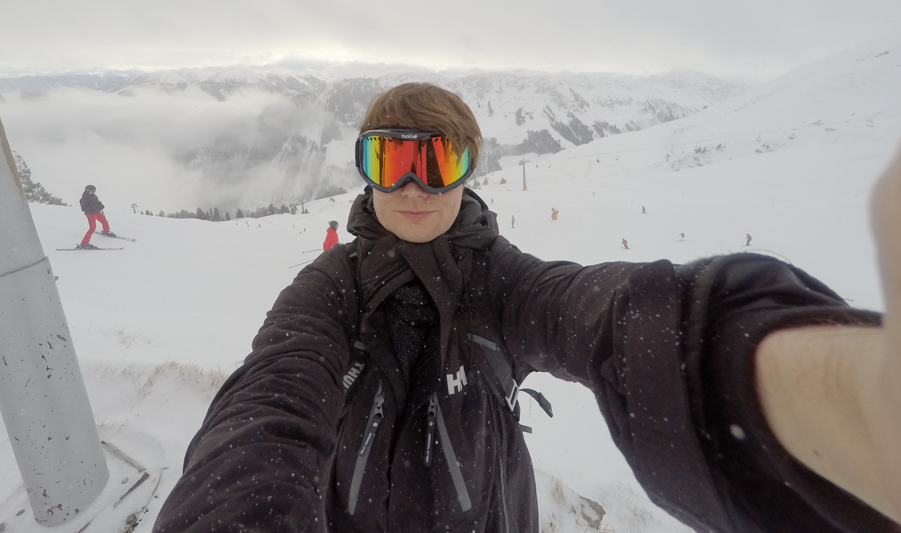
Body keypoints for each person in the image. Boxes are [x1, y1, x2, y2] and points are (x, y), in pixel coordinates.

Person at [154, 83, 901, 533]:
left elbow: (602, 318)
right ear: (365, 173)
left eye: (436, 161)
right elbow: (269, 403)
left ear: (469, 170)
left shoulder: (500, 283)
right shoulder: (330, 288)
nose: (412, 186)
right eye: (389, 159)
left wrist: (811, 384)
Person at [78, 184, 112, 249]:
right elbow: (84, 209)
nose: (93, 192)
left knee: (104, 221)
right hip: (90, 214)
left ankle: (106, 231)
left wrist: (100, 205)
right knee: (92, 228)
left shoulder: (94, 196)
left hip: (97, 212)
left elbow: (97, 203)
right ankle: (84, 244)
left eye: (94, 191)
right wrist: (94, 207)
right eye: (92, 191)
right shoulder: (83, 199)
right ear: (87, 190)